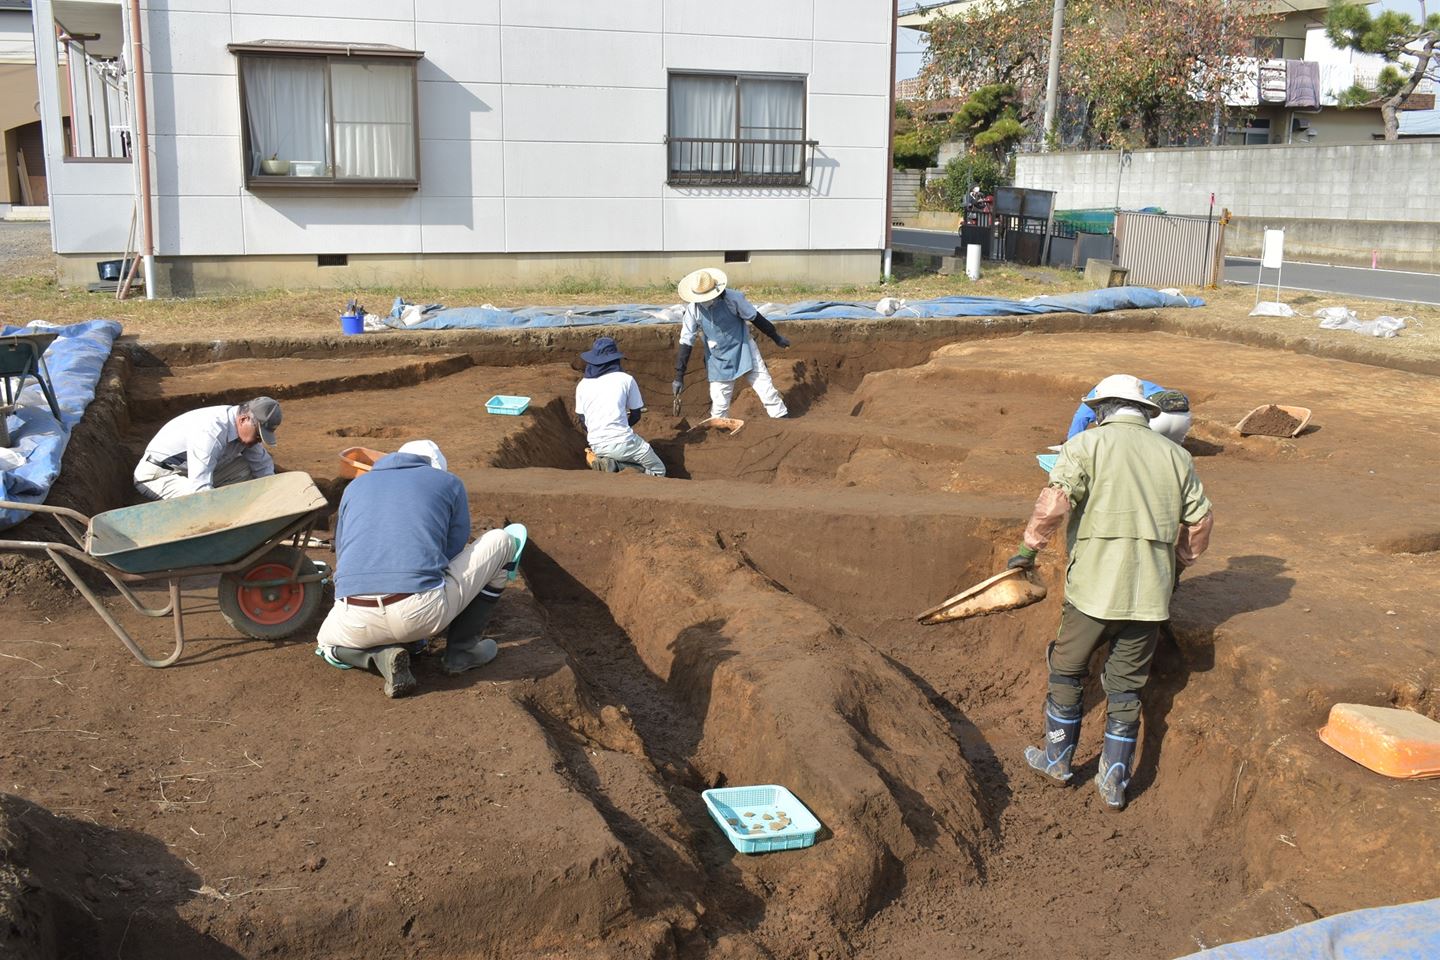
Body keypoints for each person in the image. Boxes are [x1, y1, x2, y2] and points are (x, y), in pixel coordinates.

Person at [1009, 375, 1214, 810]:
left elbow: (1055, 503)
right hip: (1150, 596)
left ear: (1102, 409)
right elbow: (1199, 521)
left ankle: (1057, 761)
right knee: (1126, 686)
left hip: (1094, 590)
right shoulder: (1177, 456)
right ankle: (1114, 781)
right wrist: (1177, 565)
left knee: (1066, 670)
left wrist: (1028, 550)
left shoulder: (1085, 446)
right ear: (1143, 411)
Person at [315, 439, 524, 699]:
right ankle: (462, 652)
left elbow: (342, 549)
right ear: (434, 467)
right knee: (503, 540)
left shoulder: (355, 486)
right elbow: (453, 549)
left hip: (354, 618)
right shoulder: (448, 483)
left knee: (325, 644)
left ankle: (377, 656)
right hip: (422, 614)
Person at [673, 268, 791, 421]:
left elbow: (755, 318)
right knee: (719, 403)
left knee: (765, 388)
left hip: (744, 347)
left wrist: (776, 337)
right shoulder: (693, 310)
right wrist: (679, 376)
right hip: (718, 357)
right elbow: (686, 341)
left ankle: (781, 419)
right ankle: (719, 429)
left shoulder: (733, 299)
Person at [133, 397, 283, 501]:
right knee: (204, 502)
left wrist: (274, 498)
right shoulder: (210, 432)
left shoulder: (241, 427)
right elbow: (200, 490)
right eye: (258, 434)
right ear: (244, 419)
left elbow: (262, 466)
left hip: (190, 470)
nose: (259, 440)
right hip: (159, 476)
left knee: (249, 468)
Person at [575, 336, 665, 476]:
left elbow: (582, 419)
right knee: (659, 471)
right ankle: (618, 466)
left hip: (597, 445)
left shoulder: (582, 385)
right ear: (615, 359)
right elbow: (636, 414)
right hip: (624, 442)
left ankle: (612, 464)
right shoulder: (626, 380)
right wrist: (621, 427)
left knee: (618, 454)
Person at [1067, 378, 1191, 445]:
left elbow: (1081, 417)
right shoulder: (1138, 383)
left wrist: (1070, 445)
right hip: (1183, 418)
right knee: (1171, 456)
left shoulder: (1099, 390)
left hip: (1155, 420)